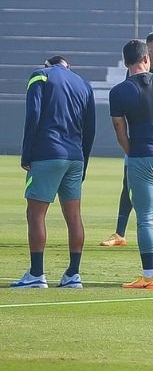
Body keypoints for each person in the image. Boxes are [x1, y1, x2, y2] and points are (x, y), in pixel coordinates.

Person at [12, 56, 95, 288]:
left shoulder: (40, 75)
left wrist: (27, 154)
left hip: (47, 152)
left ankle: (37, 273)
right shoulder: (83, 83)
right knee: (74, 216)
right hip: (75, 157)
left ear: (48, 64)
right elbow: (90, 129)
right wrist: (83, 163)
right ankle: (73, 274)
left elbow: (33, 115)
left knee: (36, 214)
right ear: (69, 66)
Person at [100, 33, 153, 247]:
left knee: (148, 218)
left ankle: (149, 272)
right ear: (146, 54)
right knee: (134, 192)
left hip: (148, 146)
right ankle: (120, 234)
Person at [109, 40, 153, 290]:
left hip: (142, 155)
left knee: (145, 219)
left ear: (126, 63)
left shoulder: (119, 91)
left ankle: (149, 276)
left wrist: (132, 153)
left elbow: (120, 130)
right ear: (146, 59)